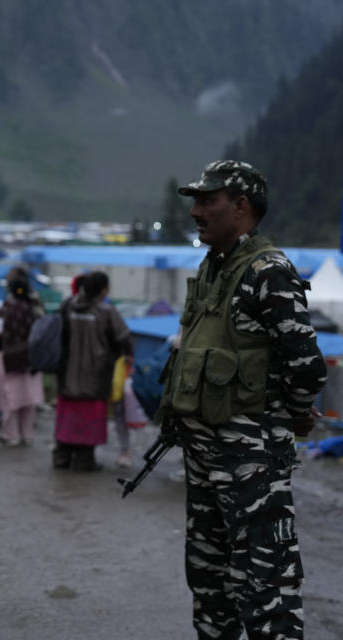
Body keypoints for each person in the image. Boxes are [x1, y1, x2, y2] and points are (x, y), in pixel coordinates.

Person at [158, 160, 326, 640]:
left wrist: (292, 415)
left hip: (250, 458)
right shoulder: (214, 266)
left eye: (207, 200)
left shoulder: (268, 271)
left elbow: (307, 365)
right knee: (210, 578)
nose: (195, 211)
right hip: (206, 454)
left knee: (263, 580)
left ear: (241, 207)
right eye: (195, 200)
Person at [53, 271, 133, 471]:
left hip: (67, 376)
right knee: (89, 420)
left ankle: (61, 457)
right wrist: (126, 356)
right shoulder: (106, 311)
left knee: (67, 418)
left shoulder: (67, 306)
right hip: (96, 377)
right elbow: (123, 338)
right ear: (103, 290)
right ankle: (84, 460)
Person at [0, 274, 44, 446]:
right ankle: (26, 435)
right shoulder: (34, 307)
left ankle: (11, 434)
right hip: (32, 358)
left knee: (11, 398)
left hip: (10, 357)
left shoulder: (9, 306)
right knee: (28, 399)